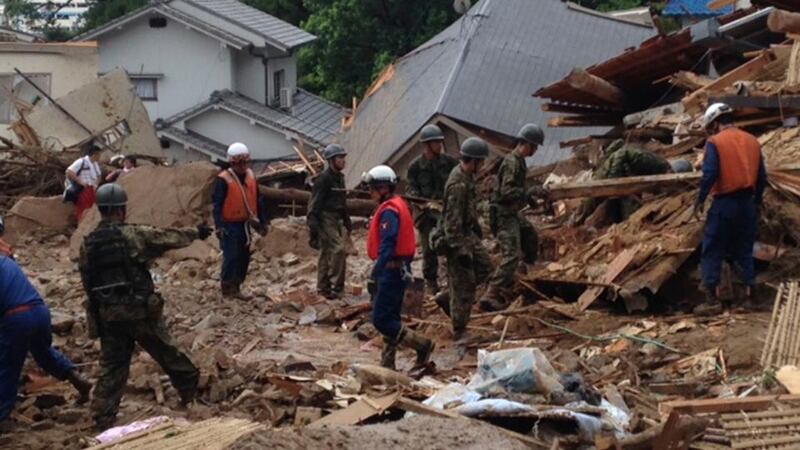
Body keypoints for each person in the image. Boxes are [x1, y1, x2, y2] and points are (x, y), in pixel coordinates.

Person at [79, 183, 212, 430]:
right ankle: (190, 392)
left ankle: (103, 416)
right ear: (121, 210)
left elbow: (87, 281)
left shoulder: (88, 244)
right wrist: (197, 232)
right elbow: (167, 237)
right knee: (166, 352)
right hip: (138, 310)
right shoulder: (132, 235)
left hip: (108, 314)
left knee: (112, 366)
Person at [693, 103, 767, 315]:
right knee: (744, 249)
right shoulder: (753, 141)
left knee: (713, 247)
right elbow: (762, 177)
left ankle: (711, 300)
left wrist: (699, 199)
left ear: (715, 123)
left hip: (725, 203)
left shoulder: (715, 142)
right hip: (747, 204)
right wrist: (757, 201)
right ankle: (748, 298)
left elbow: (711, 173)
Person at [1, 255, 91, 424]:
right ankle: (77, 380)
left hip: (16, 317)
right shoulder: (6, 262)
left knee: (7, 366)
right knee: (43, 352)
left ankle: (2, 417)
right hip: (40, 311)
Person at [364, 165, 434, 370]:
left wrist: (375, 273)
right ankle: (388, 363)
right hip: (400, 268)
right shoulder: (397, 205)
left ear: (383, 188)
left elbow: (388, 244)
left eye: (372, 189)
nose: (370, 193)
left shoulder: (389, 212)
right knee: (391, 316)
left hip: (392, 270)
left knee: (380, 319)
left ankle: (422, 345)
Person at [481, 124, 545, 312]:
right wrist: (529, 192)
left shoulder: (520, 161)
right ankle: (491, 293)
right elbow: (507, 191)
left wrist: (530, 199)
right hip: (502, 215)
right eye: (535, 146)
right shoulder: (512, 162)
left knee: (530, 235)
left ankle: (521, 274)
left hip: (511, 213)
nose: (535, 151)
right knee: (511, 254)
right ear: (527, 144)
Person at [440, 137, 493, 351]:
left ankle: (447, 297)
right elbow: (451, 223)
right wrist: (460, 250)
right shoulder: (457, 185)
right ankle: (459, 330)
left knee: (485, 268)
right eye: (480, 161)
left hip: (468, 233)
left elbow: (468, 211)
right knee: (464, 285)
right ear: (472, 161)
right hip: (457, 239)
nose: (482, 166)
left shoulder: (467, 177)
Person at [406, 124, 457, 296]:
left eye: (440, 142)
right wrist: (419, 201)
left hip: (445, 212)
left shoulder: (449, 162)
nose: (439, 145)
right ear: (427, 145)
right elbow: (411, 189)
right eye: (435, 142)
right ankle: (431, 282)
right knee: (429, 250)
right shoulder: (415, 167)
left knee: (451, 245)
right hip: (426, 214)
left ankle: (453, 280)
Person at [576, 142, 682, 224]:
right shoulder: (655, 163)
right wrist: (614, 179)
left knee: (628, 214)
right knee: (591, 200)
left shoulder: (659, 175)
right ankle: (572, 225)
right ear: (671, 171)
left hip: (627, 180)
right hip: (610, 172)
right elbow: (621, 153)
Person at [212, 143, 268, 300]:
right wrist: (219, 226)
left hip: (245, 222)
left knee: (244, 256)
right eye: (240, 163)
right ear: (232, 163)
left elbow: (258, 200)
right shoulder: (223, 180)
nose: (243, 166)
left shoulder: (251, 177)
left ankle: (237, 285)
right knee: (231, 255)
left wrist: (262, 221)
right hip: (229, 224)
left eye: (245, 162)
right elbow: (217, 205)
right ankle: (227, 287)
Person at [307, 144, 351, 299]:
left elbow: (342, 200)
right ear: (332, 160)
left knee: (326, 251)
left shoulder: (340, 178)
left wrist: (347, 220)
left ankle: (323, 287)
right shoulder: (323, 179)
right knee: (338, 249)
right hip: (325, 216)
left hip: (337, 217)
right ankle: (336, 287)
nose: (343, 161)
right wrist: (313, 224)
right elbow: (315, 203)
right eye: (340, 158)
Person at [66, 144, 103, 223]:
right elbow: (69, 171)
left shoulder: (95, 164)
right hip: (84, 189)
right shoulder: (81, 161)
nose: (100, 156)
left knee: (90, 207)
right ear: (95, 154)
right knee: (83, 207)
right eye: (99, 154)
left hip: (92, 189)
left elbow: (99, 175)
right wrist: (80, 182)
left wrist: (96, 184)